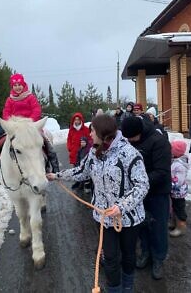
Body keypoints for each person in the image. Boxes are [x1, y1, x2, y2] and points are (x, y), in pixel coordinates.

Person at [47, 114, 149, 293]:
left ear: (102, 132)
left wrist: (121, 206)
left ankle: (127, 286)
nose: (90, 134)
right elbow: (81, 172)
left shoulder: (129, 153)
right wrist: (57, 176)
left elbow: (143, 185)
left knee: (128, 255)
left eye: (92, 130)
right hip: (104, 217)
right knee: (109, 257)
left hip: (129, 218)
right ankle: (115, 290)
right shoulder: (94, 153)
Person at [121, 116, 171, 280]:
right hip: (139, 194)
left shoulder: (159, 141)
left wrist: (139, 182)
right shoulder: (130, 142)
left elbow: (162, 172)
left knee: (158, 227)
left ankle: (158, 259)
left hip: (157, 193)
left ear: (140, 132)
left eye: (132, 138)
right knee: (141, 225)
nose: (129, 141)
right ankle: (145, 253)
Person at [2, 73, 59, 173]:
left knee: (46, 142)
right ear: (12, 86)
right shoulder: (9, 100)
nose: (17, 87)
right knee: (1, 142)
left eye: (19, 84)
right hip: (16, 128)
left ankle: (54, 164)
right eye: (15, 85)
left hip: (31, 126)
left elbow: (36, 109)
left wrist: (31, 121)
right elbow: (6, 112)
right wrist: (10, 123)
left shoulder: (30, 97)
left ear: (23, 85)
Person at [67, 113, 91, 190]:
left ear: (81, 120)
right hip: (74, 152)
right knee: (76, 168)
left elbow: (90, 139)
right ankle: (77, 182)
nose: (77, 121)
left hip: (83, 152)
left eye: (78, 119)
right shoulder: (71, 129)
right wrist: (70, 148)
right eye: (75, 119)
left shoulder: (86, 129)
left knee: (83, 168)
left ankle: (85, 183)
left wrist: (86, 147)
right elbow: (69, 139)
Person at [170, 140, 189, 237]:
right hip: (174, 192)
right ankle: (174, 224)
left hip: (178, 192)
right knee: (174, 208)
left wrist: (170, 183)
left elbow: (179, 181)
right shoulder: (175, 161)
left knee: (179, 210)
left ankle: (181, 227)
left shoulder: (180, 165)